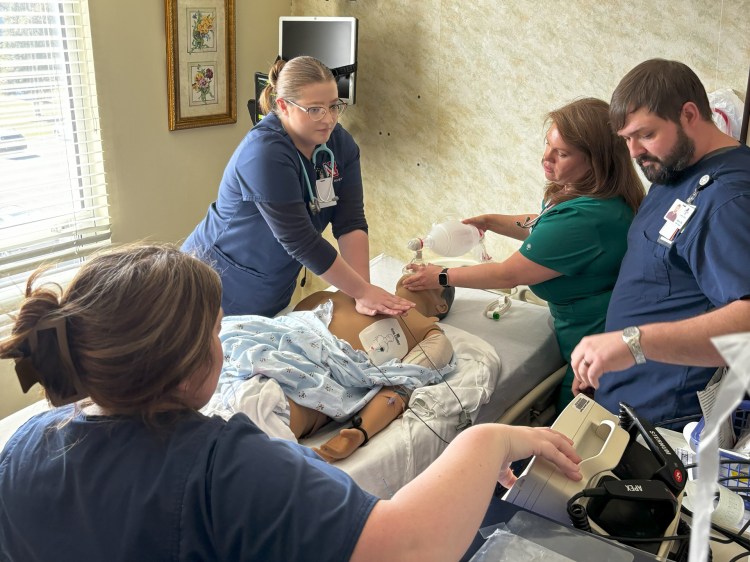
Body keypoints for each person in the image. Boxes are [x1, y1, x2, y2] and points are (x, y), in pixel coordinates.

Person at [0, 243, 581, 561]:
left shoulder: (25, 444)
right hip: (301, 359)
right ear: (188, 359)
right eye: (215, 330)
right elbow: (408, 547)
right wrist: (489, 437)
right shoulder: (228, 467)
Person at [402, 98, 645, 410]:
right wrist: (491, 222)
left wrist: (441, 275)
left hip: (595, 340)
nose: (546, 157)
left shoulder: (587, 219)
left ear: (595, 161)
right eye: (548, 144)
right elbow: (542, 227)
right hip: (592, 329)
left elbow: (508, 274)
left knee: (576, 421)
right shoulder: (589, 193)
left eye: (562, 153)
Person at [571, 59, 750, 428]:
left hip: (664, 415)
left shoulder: (728, 199)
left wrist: (633, 342)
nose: (634, 151)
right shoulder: (675, 169)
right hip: (626, 390)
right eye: (627, 139)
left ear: (688, 114)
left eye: (646, 134)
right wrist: (606, 355)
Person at [182, 55, 413, 318]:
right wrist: (361, 292)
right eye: (315, 109)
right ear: (284, 105)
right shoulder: (263, 154)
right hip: (212, 285)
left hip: (272, 289)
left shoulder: (340, 145)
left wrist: (363, 294)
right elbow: (301, 241)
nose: (328, 119)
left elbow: (350, 222)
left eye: (334, 106)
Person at [218, 278, 456, 463]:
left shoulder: (431, 335)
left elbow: (403, 384)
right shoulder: (347, 289)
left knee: (242, 422)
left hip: (307, 379)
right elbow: (291, 321)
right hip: (246, 344)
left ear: (441, 304)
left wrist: (361, 431)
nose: (420, 265)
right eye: (419, 263)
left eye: (433, 270)